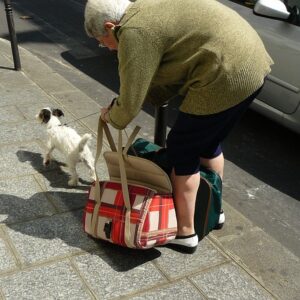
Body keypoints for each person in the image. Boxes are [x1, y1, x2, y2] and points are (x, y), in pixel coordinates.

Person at [84, 0, 273, 253]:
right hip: (253, 64)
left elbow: (130, 101)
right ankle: (214, 212)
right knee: (208, 143)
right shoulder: (145, 8)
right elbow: (168, 70)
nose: (105, 48)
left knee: (182, 149)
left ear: (110, 26)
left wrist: (112, 116)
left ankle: (185, 233)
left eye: (101, 40)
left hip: (224, 74)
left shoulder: (132, 32)